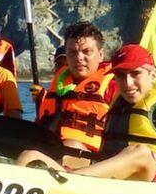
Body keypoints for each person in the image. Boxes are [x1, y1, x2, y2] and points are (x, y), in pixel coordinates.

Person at [17, 44, 156, 181]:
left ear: (152, 75)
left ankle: (72, 180)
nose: (128, 83)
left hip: (153, 185)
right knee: (30, 156)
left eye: (135, 74)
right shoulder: (115, 107)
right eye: (121, 76)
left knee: (141, 152)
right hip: (110, 181)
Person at [32, 21, 117, 164]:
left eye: (86, 51)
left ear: (101, 55)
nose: (79, 58)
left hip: (92, 158)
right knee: (28, 150)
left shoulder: (114, 86)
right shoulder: (58, 86)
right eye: (73, 52)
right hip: (51, 150)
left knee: (69, 147)